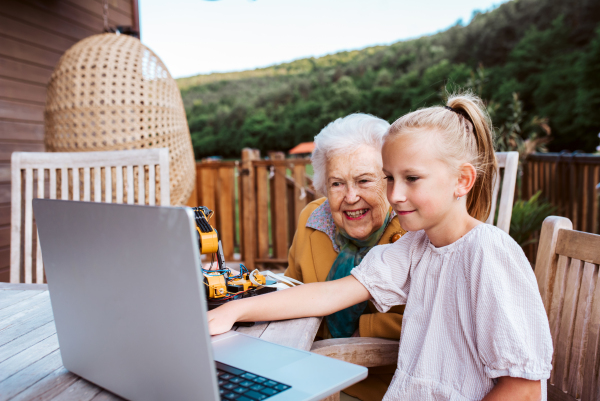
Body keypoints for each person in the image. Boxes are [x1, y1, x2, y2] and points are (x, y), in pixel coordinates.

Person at [208, 93, 553, 401]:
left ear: (462, 180)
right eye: (390, 178)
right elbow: (328, 294)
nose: (394, 195)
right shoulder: (417, 247)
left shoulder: (489, 253)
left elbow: (523, 388)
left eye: (411, 178)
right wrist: (232, 312)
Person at [285, 113, 406, 400]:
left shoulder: (411, 228)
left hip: (380, 386)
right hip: (308, 371)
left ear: (389, 180)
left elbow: (434, 319)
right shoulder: (312, 219)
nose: (350, 197)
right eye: (337, 183)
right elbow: (291, 286)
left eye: (364, 180)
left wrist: (363, 330)